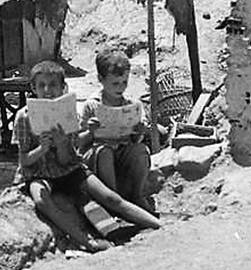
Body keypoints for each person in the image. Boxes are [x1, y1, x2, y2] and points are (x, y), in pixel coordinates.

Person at [13, 60, 160, 255]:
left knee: (110, 197)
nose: (47, 90)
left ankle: (158, 225)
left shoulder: (67, 113)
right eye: (41, 85)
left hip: (68, 169)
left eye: (53, 85)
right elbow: (24, 161)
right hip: (39, 172)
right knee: (42, 200)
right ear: (33, 88)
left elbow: (68, 161)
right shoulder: (23, 117)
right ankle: (88, 242)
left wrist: (62, 144)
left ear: (62, 87)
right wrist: (42, 148)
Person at [79, 48, 153, 213]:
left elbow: (135, 141)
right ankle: (113, 200)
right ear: (101, 79)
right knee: (104, 151)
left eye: (124, 82)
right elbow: (79, 142)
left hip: (121, 152)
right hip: (97, 156)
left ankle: (137, 195)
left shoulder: (130, 104)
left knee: (141, 151)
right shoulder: (92, 105)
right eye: (115, 83)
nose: (121, 87)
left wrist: (139, 131)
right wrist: (90, 131)